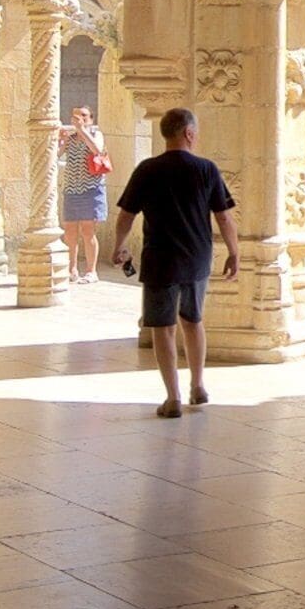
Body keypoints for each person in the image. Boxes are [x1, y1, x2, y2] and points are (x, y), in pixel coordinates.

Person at [109, 107, 237, 418]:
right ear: (189, 134)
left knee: (163, 329)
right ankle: (198, 385)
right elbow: (223, 215)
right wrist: (234, 251)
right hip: (196, 257)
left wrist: (120, 246)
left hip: (160, 258)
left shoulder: (147, 169)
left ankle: (173, 398)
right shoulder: (206, 169)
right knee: (193, 322)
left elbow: (126, 215)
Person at [57, 107, 110, 281]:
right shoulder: (71, 138)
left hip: (91, 189)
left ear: (91, 119)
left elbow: (97, 150)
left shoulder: (96, 134)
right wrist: (60, 140)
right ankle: (71, 269)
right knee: (70, 231)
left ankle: (91, 271)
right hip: (72, 188)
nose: (80, 119)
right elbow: (56, 155)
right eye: (76, 116)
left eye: (84, 116)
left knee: (88, 230)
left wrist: (82, 130)